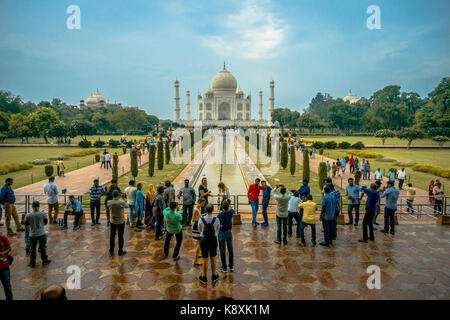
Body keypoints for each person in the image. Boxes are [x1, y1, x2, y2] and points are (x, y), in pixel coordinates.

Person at [197, 203, 220, 284]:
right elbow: (217, 229)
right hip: (213, 239)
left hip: (204, 239)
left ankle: (204, 276)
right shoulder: (216, 220)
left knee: (205, 258)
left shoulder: (201, 219)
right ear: (213, 210)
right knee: (213, 258)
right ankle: (214, 275)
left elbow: (199, 230)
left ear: (205, 210)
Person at [25, 201, 51, 267]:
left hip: (32, 234)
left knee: (33, 249)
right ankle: (45, 260)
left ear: (32, 207)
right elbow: (46, 222)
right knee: (42, 248)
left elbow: (26, 224)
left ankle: (32, 263)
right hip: (41, 233)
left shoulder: (28, 215)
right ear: (38, 206)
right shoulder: (43, 214)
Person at [107, 190, 128, 256]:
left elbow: (108, 205)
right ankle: (120, 251)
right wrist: (124, 198)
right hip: (120, 221)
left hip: (113, 221)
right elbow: (127, 206)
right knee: (120, 236)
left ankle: (111, 250)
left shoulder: (109, 202)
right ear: (118, 195)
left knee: (112, 236)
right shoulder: (121, 202)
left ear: (112, 195)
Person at [217, 200, 234, 273]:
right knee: (230, 249)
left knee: (222, 250)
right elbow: (231, 208)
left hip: (222, 233)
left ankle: (224, 267)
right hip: (229, 232)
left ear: (222, 207)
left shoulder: (220, 215)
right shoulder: (231, 212)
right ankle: (231, 266)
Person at [192, 198, 206, 266]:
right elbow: (193, 219)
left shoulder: (199, 208)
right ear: (200, 203)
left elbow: (198, 216)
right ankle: (195, 261)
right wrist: (201, 219)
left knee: (199, 242)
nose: (203, 205)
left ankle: (198, 255)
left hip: (199, 225)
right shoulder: (195, 210)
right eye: (203, 203)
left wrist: (202, 215)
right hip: (196, 226)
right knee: (198, 244)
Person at [0, 232, 13, 300]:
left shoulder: (3, 238)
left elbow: (9, 248)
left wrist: (3, 253)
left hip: (4, 266)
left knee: (7, 286)